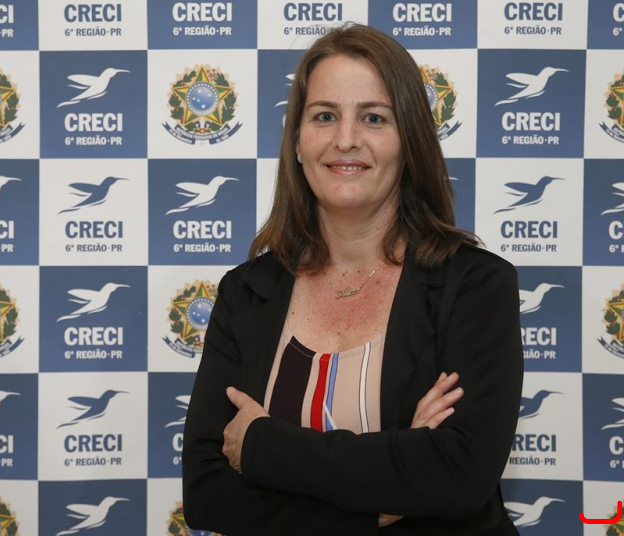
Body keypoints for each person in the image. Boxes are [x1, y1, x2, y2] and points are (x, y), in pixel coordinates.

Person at [181, 23, 523, 535]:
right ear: (298, 142)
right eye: (324, 116)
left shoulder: (475, 286)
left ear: (409, 141)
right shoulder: (247, 292)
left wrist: (262, 444)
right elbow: (208, 494)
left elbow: (457, 475)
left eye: (373, 117)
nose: (345, 139)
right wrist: (382, 494)